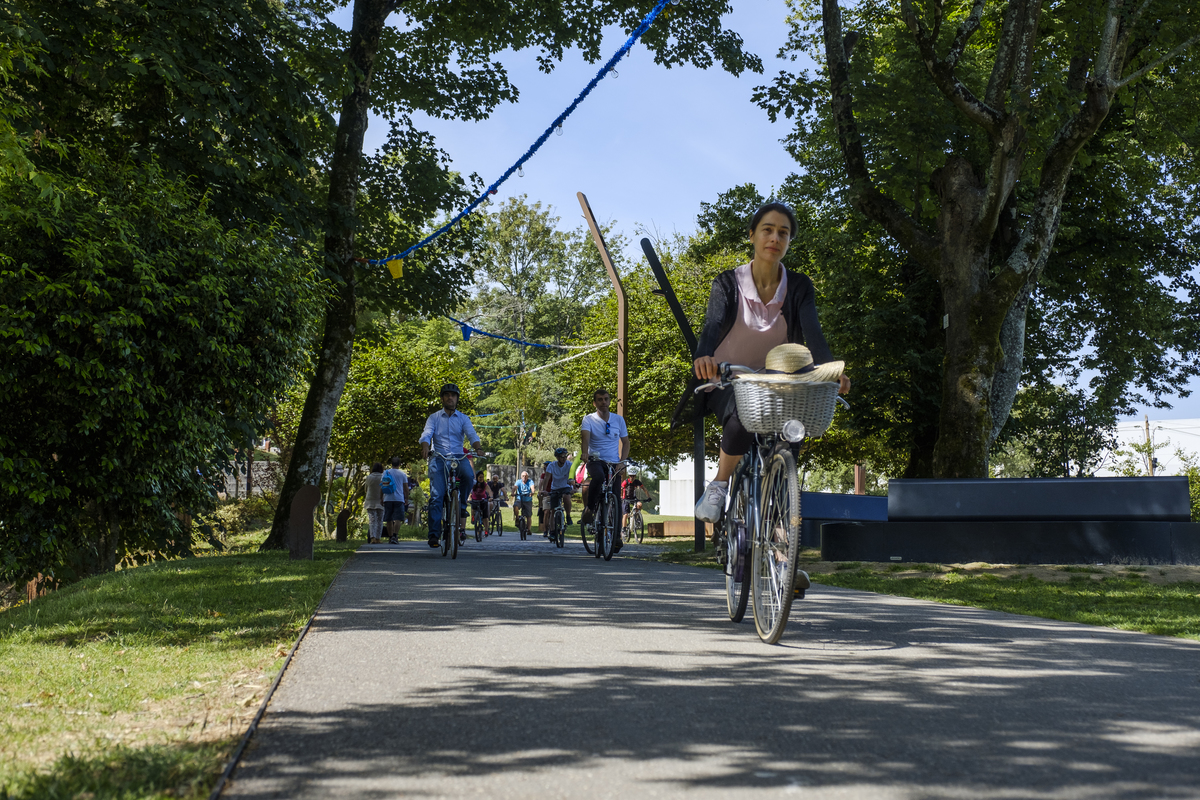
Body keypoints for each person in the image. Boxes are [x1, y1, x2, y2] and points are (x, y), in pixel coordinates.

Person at [679, 201, 850, 590]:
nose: (775, 238)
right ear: (753, 236)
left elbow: (813, 331)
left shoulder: (799, 285)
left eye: (783, 233)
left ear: (789, 241)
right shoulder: (727, 283)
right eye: (768, 230)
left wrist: (830, 370)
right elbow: (711, 325)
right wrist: (703, 358)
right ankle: (721, 484)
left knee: (791, 440)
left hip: (779, 380)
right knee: (742, 417)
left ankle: (782, 557)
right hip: (729, 376)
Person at [420, 383, 485, 549]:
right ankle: (434, 535)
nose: (450, 398)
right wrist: (425, 446)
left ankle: (461, 506)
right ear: (442, 398)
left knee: (469, 476)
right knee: (437, 496)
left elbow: (472, 434)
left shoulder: (463, 418)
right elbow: (426, 434)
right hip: (439, 457)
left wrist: (478, 447)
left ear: (457, 399)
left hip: (458, 456)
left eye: (453, 395)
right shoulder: (434, 418)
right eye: (447, 395)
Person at [579, 388, 630, 532]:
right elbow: (585, 438)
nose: (603, 402)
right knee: (599, 477)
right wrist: (585, 453)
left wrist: (622, 461)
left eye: (606, 399)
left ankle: (617, 537)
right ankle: (590, 509)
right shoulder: (589, 419)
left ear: (609, 401)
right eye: (600, 400)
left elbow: (626, 442)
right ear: (594, 403)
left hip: (614, 462)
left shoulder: (618, 420)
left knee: (616, 497)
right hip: (595, 459)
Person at [541, 447, 575, 530]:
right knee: (553, 510)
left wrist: (574, 487)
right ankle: (552, 531)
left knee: (566, 497)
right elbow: (546, 478)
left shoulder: (569, 464)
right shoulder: (551, 466)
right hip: (555, 488)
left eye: (565, 456)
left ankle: (568, 516)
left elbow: (573, 477)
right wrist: (544, 490)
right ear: (557, 457)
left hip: (566, 486)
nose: (564, 458)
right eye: (562, 457)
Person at [382, 456, 407, 545]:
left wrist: (381, 498)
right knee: (398, 519)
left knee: (388, 519)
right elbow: (405, 487)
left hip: (387, 498)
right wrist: (406, 498)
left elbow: (382, 486)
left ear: (391, 464)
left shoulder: (386, 472)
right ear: (399, 464)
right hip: (399, 498)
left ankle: (390, 537)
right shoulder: (402, 474)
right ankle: (395, 536)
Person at [364, 462, 385, 544]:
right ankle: (378, 538)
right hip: (380, 501)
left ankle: (372, 538)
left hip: (370, 501)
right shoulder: (383, 477)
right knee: (380, 521)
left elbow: (366, 489)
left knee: (372, 520)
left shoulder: (368, 477)